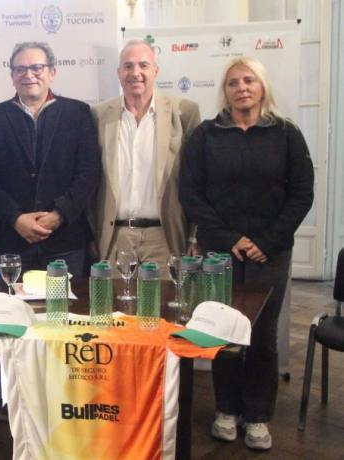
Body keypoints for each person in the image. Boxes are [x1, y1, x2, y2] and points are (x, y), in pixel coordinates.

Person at [180, 56, 313, 450]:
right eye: (233, 82)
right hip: (220, 253)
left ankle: (257, 416)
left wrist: (266, 241)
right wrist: (230, 239)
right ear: (225, 91)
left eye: (249, 80)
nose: (242, 88)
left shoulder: (286, 134)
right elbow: (191, 193)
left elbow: (301, 194)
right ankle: (226, 410)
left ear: (262, 86)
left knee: (262, 335)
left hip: (269, 254)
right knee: (222, 332)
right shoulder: (206, 135)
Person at [0, 42, 100, 276]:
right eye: (20, 69)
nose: (29, 75)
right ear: (12, 76)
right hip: (13, 240)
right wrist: (15, 218)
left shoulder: (77, 113)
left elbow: (89, 172)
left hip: (65, 240)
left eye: (37, 68)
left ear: (52, 72)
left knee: (64, 301)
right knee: (12, 301)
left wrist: (58, 215)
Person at [90, 39, 201, 267]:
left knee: (166, 293)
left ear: (155, 71)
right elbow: (90, 180)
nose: (135, 73)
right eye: (128, 66)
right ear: (119, 73)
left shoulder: (184, 112)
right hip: (115, 238)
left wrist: (195, 234)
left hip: (165, 238)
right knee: (115, 293)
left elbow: (199, 179)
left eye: (143, 65)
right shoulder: (98, 115)